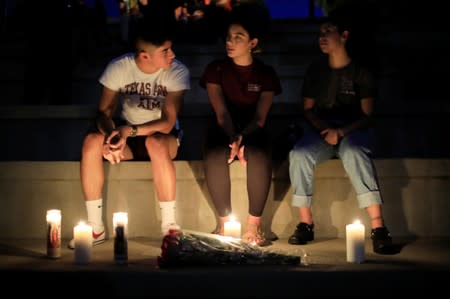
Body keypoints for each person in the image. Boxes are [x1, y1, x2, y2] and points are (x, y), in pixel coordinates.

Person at [68, 19, 191, 249]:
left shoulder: (177, 71)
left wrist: (128, 130)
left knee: (155, 142)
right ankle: (95, 229)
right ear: (145, 56)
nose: (172, 54)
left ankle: (169, 228)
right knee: (91, 141)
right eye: (165, 51)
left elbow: (167, 122)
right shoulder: (120, 67)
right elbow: (103, 112)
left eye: (171, 48)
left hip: (162, 139)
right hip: (128, 137)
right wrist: (111, 137)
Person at [287, 12, 393, 254]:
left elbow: (367, 115)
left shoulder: (361, 72)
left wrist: (341, 131)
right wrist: (326, 130)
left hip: (352, 130)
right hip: (323, 132)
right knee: (299, 154)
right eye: (320, 33)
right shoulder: (316, 70)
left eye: (328, 31)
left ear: (344, 35)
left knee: (355, 152)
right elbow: (308, 109)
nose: (322, 37)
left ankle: (379, 227)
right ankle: (306, 223)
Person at [199, 3, 281, 246]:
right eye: (228, 37)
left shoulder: (265, 73)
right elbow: (221, 113)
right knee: (214, 153)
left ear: (252, 43)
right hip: (224, 128)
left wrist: (242, 137)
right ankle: (224, 223)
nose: (230, 42)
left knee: (258, 154)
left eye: (238, 37)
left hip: (253, 130)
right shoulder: (216, 69)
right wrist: (232, 138)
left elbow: (260, 118)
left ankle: (254, 226)